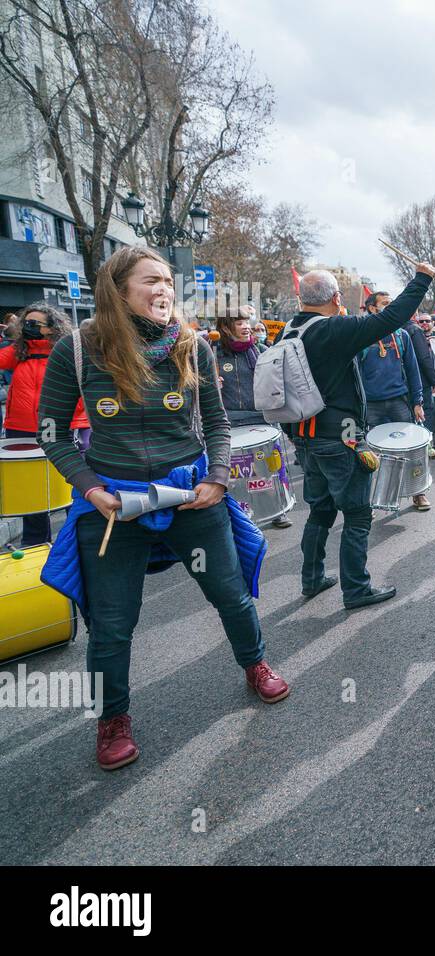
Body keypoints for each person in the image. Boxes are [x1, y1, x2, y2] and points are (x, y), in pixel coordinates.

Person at [37, 246, 288, 771]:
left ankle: (256, 664)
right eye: (152, 280)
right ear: (118, 288)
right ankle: (112, 718)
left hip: (192, 495)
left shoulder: (192, 345)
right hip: (112, 504)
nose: (165, 290)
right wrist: (88, 488)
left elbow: (217, 424)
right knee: (110, 623)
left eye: (169, 282)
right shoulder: (77, 350)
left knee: (232, 595)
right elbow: (52, 432)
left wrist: (218, 479)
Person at [284, 265, 434, 609]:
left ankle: (312, 578)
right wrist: (422, 279)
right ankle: (356, 589)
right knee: (357, 515)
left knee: (319, 512)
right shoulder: (332, 328)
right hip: (340, 438)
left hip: (305, 438)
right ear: (336, 299)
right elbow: (392, 318)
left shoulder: (290, 331)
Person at [2, 304, 89, 545]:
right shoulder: (19, 351)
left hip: (63, 429)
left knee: (72, 483)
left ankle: (80, 540)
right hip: (21, 430)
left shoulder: (67, 350)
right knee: (33, 492)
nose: (28, 327)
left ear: (52, 328)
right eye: (25, 323)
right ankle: (35, 544)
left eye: (34, 324)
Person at [213, 305, 295, 528]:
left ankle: (278, 508)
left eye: (247, 322)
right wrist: (210, 383)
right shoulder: (213, 353)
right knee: (238, 474)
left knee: (269, 468)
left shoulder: (260, 350)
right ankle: (242, 516)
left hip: (261, 418)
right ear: (226, 327)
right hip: (230, 419)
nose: (246, 327)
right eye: (240, 323)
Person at [358, 290, 430, 511]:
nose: (390, 306)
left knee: (410, 450)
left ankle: (418, 493)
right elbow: (356, 375)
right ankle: (377, 499)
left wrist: (417, 401)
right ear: (372, 308)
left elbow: (412, 369)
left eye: (391, 303)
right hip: (371, 405)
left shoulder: (401, 334)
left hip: (400, 402)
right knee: (375, 454)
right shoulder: (360, 335)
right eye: (385, 303)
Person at [401, 310, 435, 462]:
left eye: (427, 321)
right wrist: (434, 380)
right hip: (421, 382)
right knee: (426, 414)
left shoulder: (398, 329)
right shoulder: (414, 330)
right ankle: (427, 449)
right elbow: (423, 357)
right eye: (421, 320)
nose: (424, 323)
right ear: (415, 316)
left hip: (404, 382)